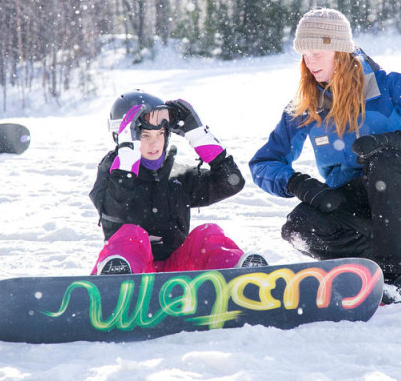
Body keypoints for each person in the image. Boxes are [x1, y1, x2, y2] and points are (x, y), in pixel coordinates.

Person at [249, 8, 401, 304]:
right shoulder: (307, 105)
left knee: (384, 160)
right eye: (304, 54)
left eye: (317, 52)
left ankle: (398, 279)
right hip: (355, 200)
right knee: (299, 225)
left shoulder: (392, 86)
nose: (309, 61)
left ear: (340, 51)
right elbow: (264, 163)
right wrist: (299, 184)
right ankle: (364, 267)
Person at [88, 90, 267, 275]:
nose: (154, 143)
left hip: (177, 277)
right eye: (144, 135)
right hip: (135, 274)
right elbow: (115, 208)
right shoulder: (111, 175)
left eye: (160, 134)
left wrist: (200, 137)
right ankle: (116, 280)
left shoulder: (177, 176)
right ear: (125, 137)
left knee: (207, 234)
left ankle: (241, 278)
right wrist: (126, 158)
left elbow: (231, 183)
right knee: (132, 236)